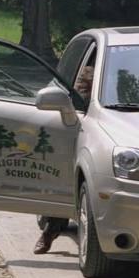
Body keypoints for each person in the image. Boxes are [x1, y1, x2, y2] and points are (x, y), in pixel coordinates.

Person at [33, 66, 94, 254]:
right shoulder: (90, 67)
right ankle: (51, 230)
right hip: (89, 126)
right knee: (64, 179)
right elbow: (79, 102)